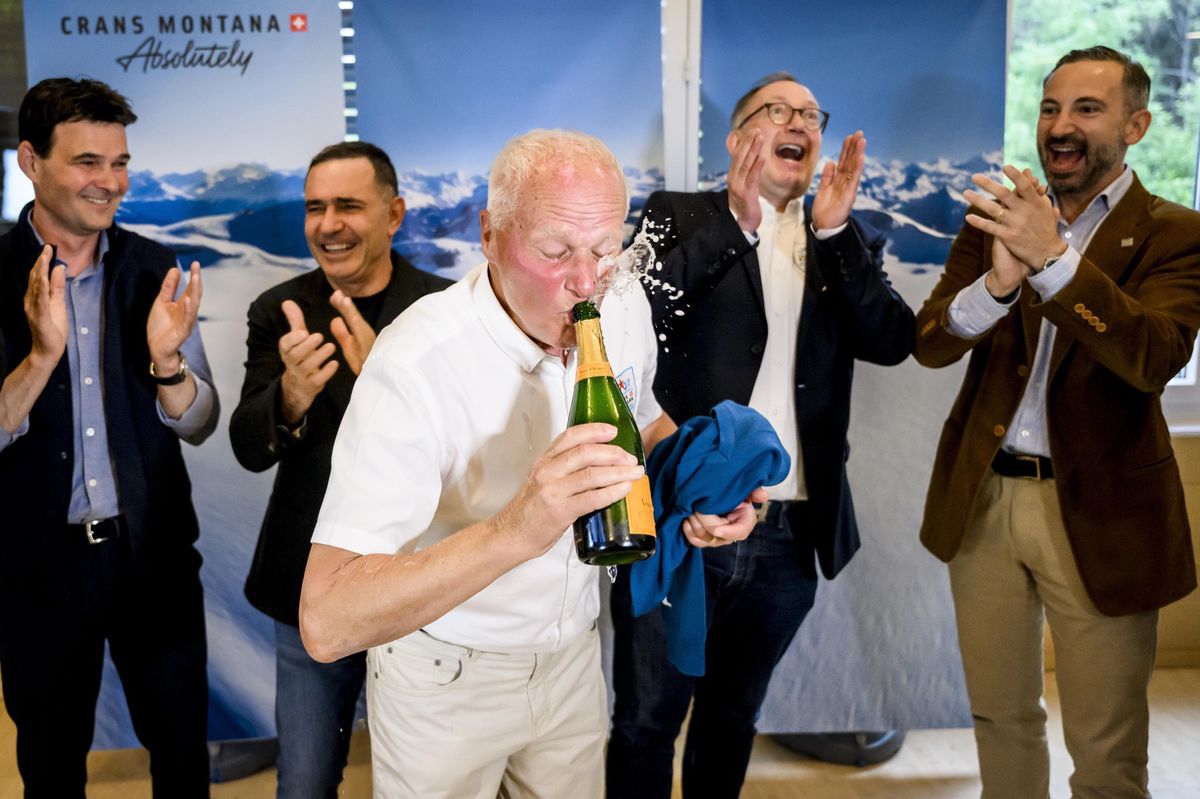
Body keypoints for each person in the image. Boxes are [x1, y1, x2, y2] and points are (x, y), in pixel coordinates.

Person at [298, 129, 762, 798]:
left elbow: (644, 419)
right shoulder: (415, 363)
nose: (587, 281)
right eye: (554, 250)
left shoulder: (620, 301)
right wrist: (517, 528)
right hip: (446, 677)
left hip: (573, 656)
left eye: (605, 247)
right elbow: (326, 620)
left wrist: (703, 488)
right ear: (489, 235)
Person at [606, 71, 915, 798]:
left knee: (732, 717)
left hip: (788, 532)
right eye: (779, 110)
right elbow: (631, 313)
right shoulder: (679, 214)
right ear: (738, 138)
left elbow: (892, 340)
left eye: (811, 113)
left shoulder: (845, 235)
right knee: (647, 720)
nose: (799, 121)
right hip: (682, 520)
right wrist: (737, 224)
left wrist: (835, 234)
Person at [914, 46, 1200, 798]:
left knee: (1106, 749)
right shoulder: (996, 221)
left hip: (1104, 512)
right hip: (984, 500)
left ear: (1136, 126)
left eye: (1087, 109)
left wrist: (1053, 260)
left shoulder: (1177, 233)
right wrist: (998, 285)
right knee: (1000, 716)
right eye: (1050, 108)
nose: (1060, 126)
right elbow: (932, 343)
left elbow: (1152, 357)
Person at [0, 78, 217, 796]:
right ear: (31, 161)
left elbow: (200, 420)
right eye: (88, 162)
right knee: (50, 766)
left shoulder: (156, 269)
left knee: (182, 755)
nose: (111, 181)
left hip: (153, 559)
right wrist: (41, 358)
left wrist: (168, 365)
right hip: (38, 572)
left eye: (119, 162)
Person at [228, 141, 451, 797]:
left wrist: (388, 383)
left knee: (426, 781)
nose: (329, 225)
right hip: (308, 585)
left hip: (420, 585)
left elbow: (464, 454)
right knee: (304, 781)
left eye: (348, 205)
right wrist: (290, 396)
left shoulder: (444, 311)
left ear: (394, 214)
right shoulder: (279, 310)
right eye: (315, 208)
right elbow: (248, 447)